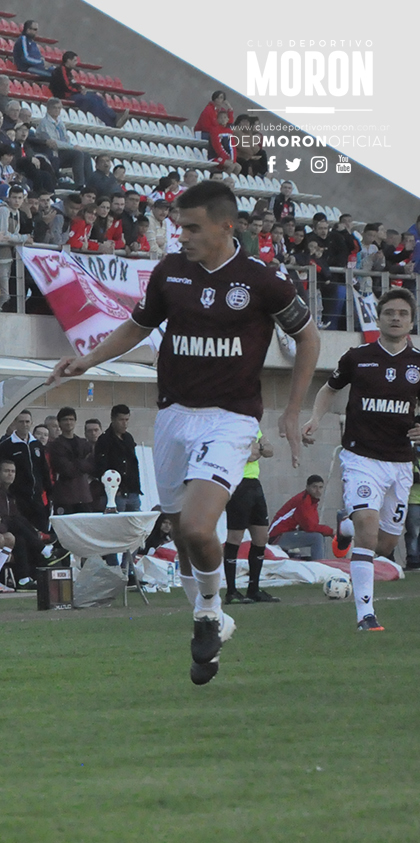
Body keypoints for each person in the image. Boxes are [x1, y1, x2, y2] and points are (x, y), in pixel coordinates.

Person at [52, 180, 320, 686]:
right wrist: (88, 360)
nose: (182, 236)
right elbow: (137, 326)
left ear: (226, 226)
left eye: (193, 228)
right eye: (179, 227)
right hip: (174, 415)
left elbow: (307, 337)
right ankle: (212, 621)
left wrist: (291, 411)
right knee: (180, 530)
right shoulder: (170, 272)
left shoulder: (263, 279)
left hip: (230, 419)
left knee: (197, 529)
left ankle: (209, 612)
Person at [301, 288, 420, 631]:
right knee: (368, 530)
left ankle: (345, 526)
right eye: (389, 313)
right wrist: (315, 418)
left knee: (385, 544)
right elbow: (329, 389)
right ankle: (365, 615)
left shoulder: (418, 364)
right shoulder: (358, 357)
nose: (395, 318)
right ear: (378, 318)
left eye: (403, 313)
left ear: (411, 322)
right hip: (360, 457)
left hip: (400, 462)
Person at [223, 432, 277, 604]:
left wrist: (257, 447)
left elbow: (269, 451)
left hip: (254, 484)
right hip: (238, 484)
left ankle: (254, 589)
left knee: (261, 537)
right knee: (235, 537)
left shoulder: (255, 429)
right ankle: (231, 591)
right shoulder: (233, 429)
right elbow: (246, 455)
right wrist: (258, 448)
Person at [0, 411, 49, 529]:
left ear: (31, 423)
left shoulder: (36, 445)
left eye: (27, 422)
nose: (24, 425)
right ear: (15, 423)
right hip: (17, 495)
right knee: (23, 526)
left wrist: (48, 490)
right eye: (21, 422)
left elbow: (44, 469)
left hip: (36, 495)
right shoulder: (6, 445)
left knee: (42, 526)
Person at [93, 404, 142, 512]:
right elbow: (100, 466)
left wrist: (136, 487)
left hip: (132, 490)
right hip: (115, 493)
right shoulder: (104, 439)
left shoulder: (128, 438)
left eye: (127, 420)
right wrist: (113, 489)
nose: (125, 423)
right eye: (121, 420)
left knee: (135, 519)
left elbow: (133, 464)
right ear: (113, 419)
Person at [47, 407, 95, 514]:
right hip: (65, 496)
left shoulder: (84, 443)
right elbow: (65, 469)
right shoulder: (55, 445)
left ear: (75, 421)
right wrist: (81, 463)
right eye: (65, 420)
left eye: (71, 419)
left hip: (83, 494)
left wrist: (75, 464)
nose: (68, 422)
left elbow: (91, 465)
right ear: (59, 423)